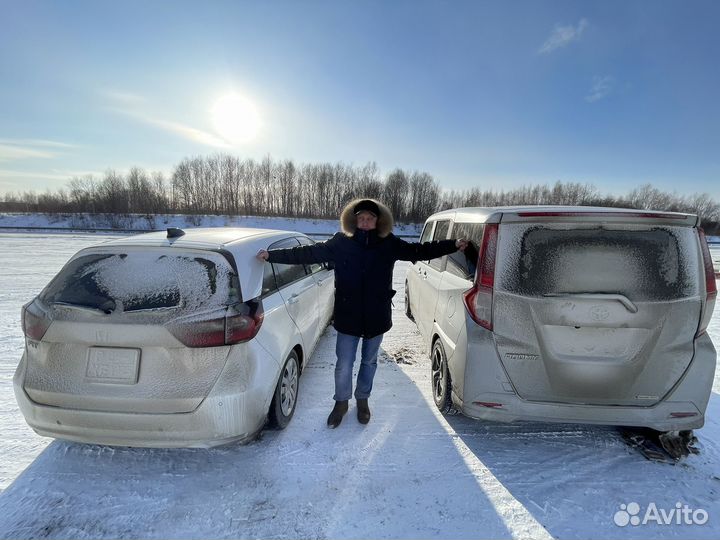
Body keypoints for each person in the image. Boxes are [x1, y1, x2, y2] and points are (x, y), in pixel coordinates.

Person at [257, 198, 467, 428]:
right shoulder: (340, 243)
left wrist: (452, 245)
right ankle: (341, 403)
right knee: (344, 364)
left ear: (378, 221)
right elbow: (308, 253)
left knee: (369, 361)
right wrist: (272, 255)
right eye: (361, 218)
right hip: (348, 316)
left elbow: (420, 249)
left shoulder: (389, 244)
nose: (365, 222)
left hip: (377, 316)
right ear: (354, 220)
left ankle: (362, 399)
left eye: (370, 218)